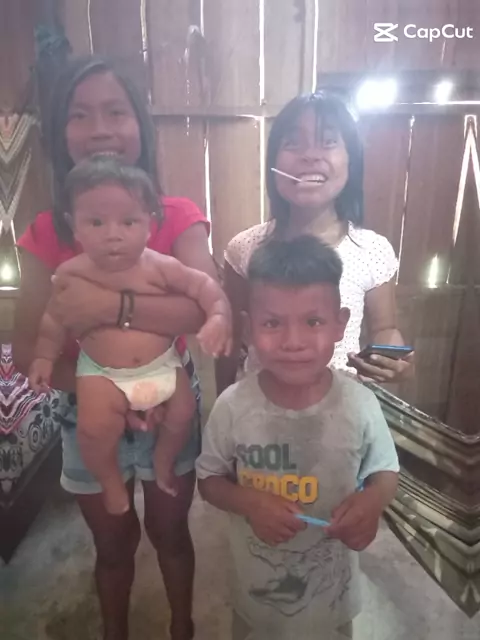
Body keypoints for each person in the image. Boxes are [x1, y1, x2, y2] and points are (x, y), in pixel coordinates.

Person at [13, 55, 215, 640]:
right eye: (79, 115)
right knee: (112, 543)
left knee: (171, 533)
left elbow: (202, 309)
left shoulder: (176, 217)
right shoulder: (46, 232)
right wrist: (114, 395)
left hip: (169, 397)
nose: (99, 128)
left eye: (115, 111)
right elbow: (27, 350)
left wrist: (110, 308)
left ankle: (183, 627)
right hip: (90, 407)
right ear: (60, 133)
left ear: (140, 124)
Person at [197, 236, 400, 640]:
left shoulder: (360, 404)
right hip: (256, 594)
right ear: (249, 328)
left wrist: (371, 503)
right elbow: (209, 480)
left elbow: (386, 472)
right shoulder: (232, 406)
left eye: (313, 322)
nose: (293, 341)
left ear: (340, 324)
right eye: (273, 323)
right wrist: (249, 502)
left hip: (333, 595)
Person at [29, 155, 232, 515]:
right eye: (96, 222)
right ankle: (109, 481)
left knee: (183, 413)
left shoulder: (159, 266)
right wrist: (45, 357)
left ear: (148, 225)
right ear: (74, 227)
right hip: (101, 375)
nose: (113, 234)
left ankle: (164, 460)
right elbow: (53, 319)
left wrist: (218, 314)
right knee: (93, 430)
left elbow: (204, 287)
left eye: (128, 221)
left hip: (162, 366)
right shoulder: (72, 272)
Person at [216, 91, 414, 395]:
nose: (309, 155)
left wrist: (394, 358)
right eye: (293, 143)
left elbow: (385, 328)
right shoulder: (244, 248)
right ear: (273, 163)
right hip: (258, 408)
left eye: (328, 141)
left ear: (351, 160)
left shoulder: (372, 250)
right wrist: (222, 404)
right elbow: (230, 337)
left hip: (340, 408)